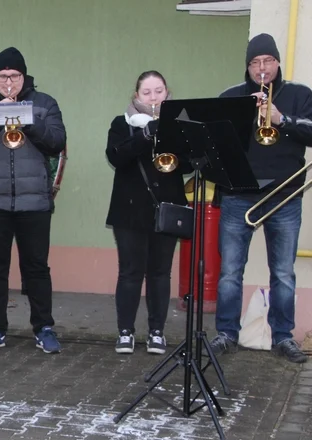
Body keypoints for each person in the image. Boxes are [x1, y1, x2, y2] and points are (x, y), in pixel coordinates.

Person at [0, 47, 67, 354]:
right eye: (3, 76)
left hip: (35, 202)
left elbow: (57, 141)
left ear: (24, 77)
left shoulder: (44, 103)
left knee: (37, 268)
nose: (8, 82)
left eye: (14, 76)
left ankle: (44, 327)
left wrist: (27, 119)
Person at [210, 33, 312, 364]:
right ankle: (226, 333)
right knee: (230, 271)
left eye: (267, 61)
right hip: (240, 195)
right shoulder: (232, 96)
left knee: (282, 272)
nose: (261, 68)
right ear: (248, 67)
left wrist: (282, 120)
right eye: (255, 63)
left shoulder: (299, 94)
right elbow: (216, 144)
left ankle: (283, 337)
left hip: (284, 195)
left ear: (278, 62)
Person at [105, 71, 190, 355]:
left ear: (167, 93)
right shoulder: (122, 123)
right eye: (147, 92)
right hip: (129, 211)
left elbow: (188, 165)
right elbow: (115, 157)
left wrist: (174, 138)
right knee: (130, 273)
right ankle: (125, 331)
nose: (153, 97)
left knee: (160, 273)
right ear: (136, 96)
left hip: (166, 208)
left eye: (159, 91)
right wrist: (145, 135)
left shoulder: (180, 123)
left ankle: (157, 332)